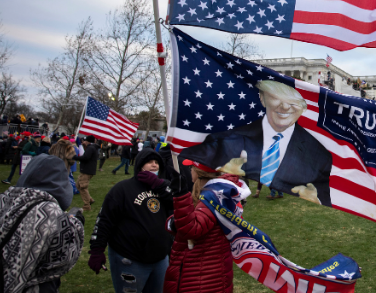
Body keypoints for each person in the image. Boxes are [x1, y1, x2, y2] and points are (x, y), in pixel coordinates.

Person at [181, 80, 332, 205]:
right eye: (276, 96)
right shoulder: (227, 140)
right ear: (262, 98)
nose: (285, 107)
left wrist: (316, 199)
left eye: (294, 101)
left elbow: (328, 195)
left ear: (304, 107)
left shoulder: (320, 155)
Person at [0, 154, 85, 292]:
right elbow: (62, 259)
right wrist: (75, 224)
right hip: (31, 285)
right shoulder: (49, 211)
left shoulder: (5, 199)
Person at [89, 148, 174, 292]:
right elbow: (104, 221)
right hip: (130, 258)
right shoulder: (122, 189)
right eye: (149, 162)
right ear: (140, 165)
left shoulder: (163, 187)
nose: (154, 165)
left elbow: (179, 202)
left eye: (156, 162)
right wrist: (97, 250)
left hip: (160, 258)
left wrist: (159, 185)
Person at [164, 157, 242, 293]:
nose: (190, 172)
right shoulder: (219, 193)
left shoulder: (213, 198)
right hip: (204, 272)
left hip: (202, 278)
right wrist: (174, 222)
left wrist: (181, 195)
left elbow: (191, 229)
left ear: (199, 173)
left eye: (191, 169)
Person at [73, 135, 100, 212]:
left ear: (87, 141)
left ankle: (86, 205)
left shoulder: (90, 148)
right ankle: (90, 199)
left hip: (87, 170)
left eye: (84, 141)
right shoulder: (91, 148)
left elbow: (86, 157)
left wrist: (75, 157)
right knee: (78, 184)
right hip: (87, 170)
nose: (83, 142)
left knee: (82, 187)